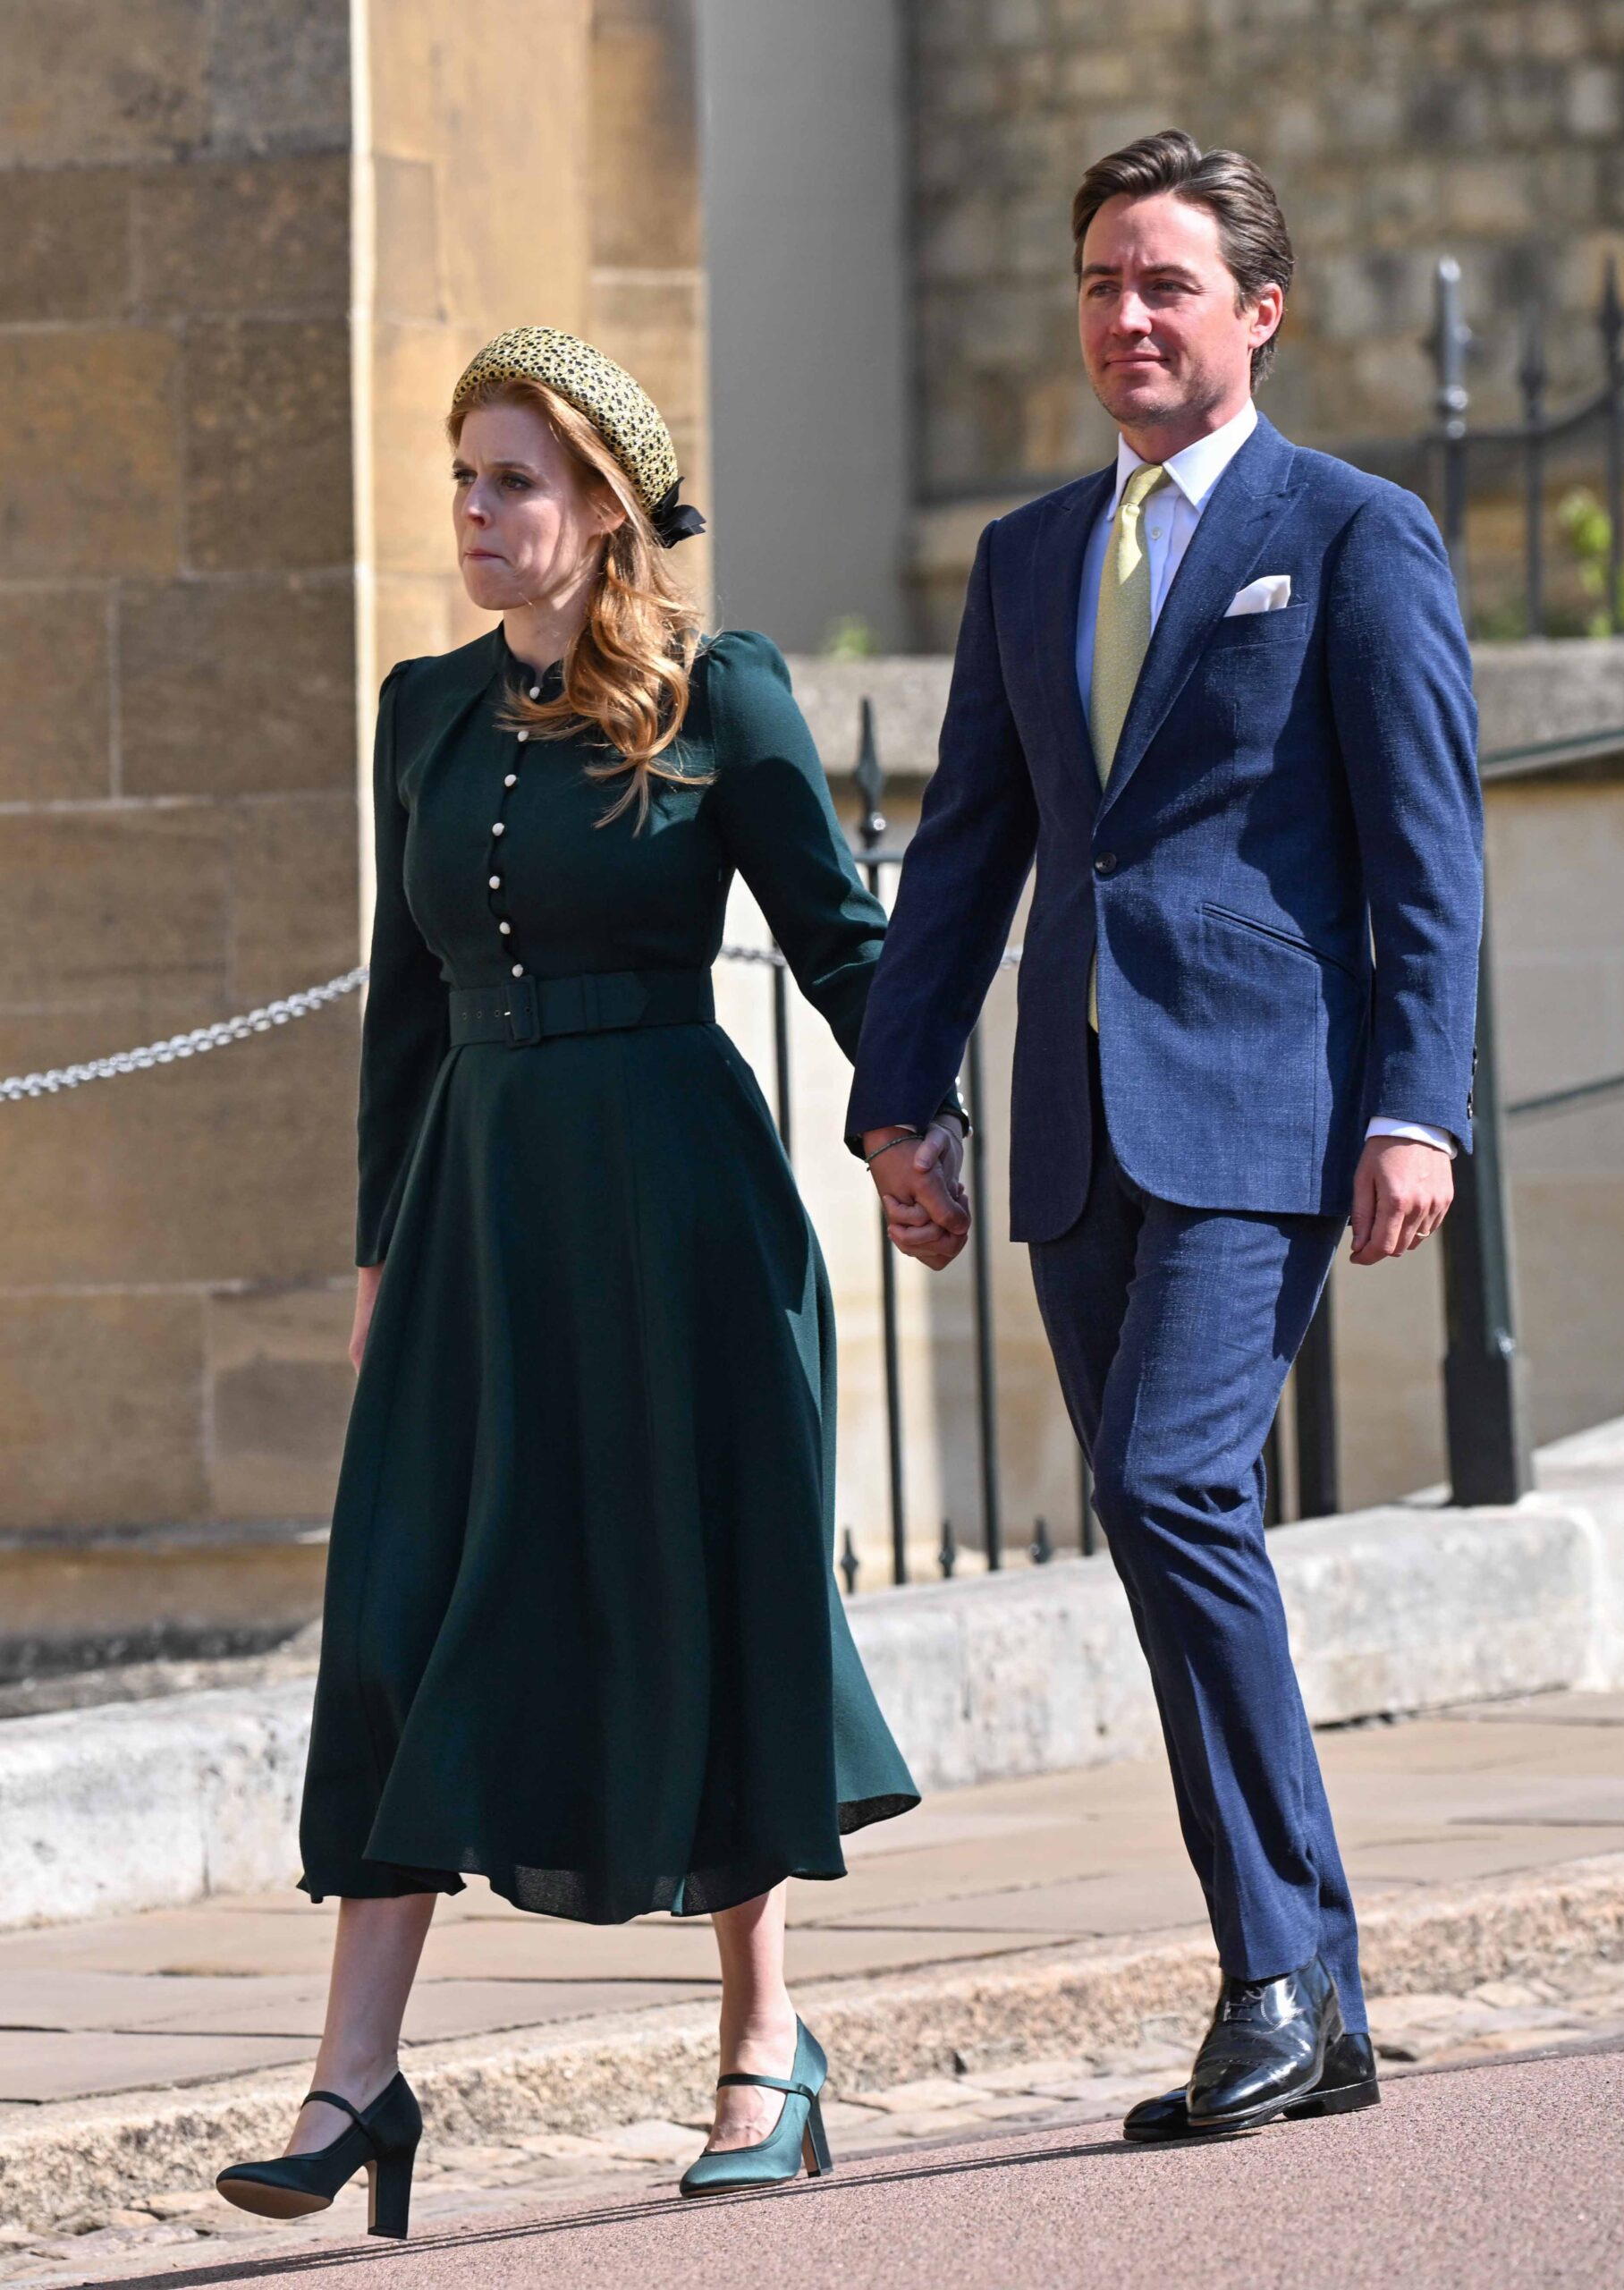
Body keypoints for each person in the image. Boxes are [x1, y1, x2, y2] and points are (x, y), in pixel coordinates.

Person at [216, 327, 941, 2235]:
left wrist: (911, 1126)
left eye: (512, 480)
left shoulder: (725, 694)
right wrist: (380, 1255)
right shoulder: (421, 715)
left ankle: (766, 2046)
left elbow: (847, 946)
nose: (475, 512)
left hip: (673, 1207)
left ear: (603, 506)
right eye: (462, 477)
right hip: (474, 1209)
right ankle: (351, 2081)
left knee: (697, 1589)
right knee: (400, 1606)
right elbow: (398, 1016)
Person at [848, 132, 1481, 2140]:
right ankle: (1326, 1992)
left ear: (1256, 314)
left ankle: (1271, 1972)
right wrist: (893, 1093)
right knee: (1149, 1514)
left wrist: (1414, 1102)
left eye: (1167, 286)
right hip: (1071, 1118)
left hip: (1264, 1110)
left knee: (1167, 1480)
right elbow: (965, 845)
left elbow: (1427, 849)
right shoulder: (1032, 555)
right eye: (1103, 284)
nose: (1125, 318)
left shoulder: (1352, 530)